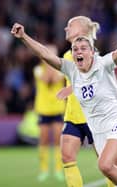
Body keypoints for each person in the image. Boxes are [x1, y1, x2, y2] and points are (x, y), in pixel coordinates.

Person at [11, 13, 117, 187]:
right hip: (98, 131)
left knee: (104, 164)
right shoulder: (71, 69)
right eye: (75, 50)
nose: (78, 52)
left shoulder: (104, 64)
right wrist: (24, 37)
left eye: (83, 49)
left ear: (92, 53)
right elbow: (45, 54)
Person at [58, 16, 116, 187]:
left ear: (82, 31)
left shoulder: (92, 56)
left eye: (70, 26)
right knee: (67, 156)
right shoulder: (68, 55)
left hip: (95, 117)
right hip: (74, 116)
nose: (66, 29)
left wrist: (68, 90)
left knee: (106, 164)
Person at [33, 44, 66, 181]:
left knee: (59, 139)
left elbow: (54, 79)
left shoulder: (62, 70)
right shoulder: (37, 70)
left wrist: (51, 62)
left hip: (57, 108)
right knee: (44, 140)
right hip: (43, 108)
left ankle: (58, 170)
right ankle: (44, 169)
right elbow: (47, 80)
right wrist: (49, 62)